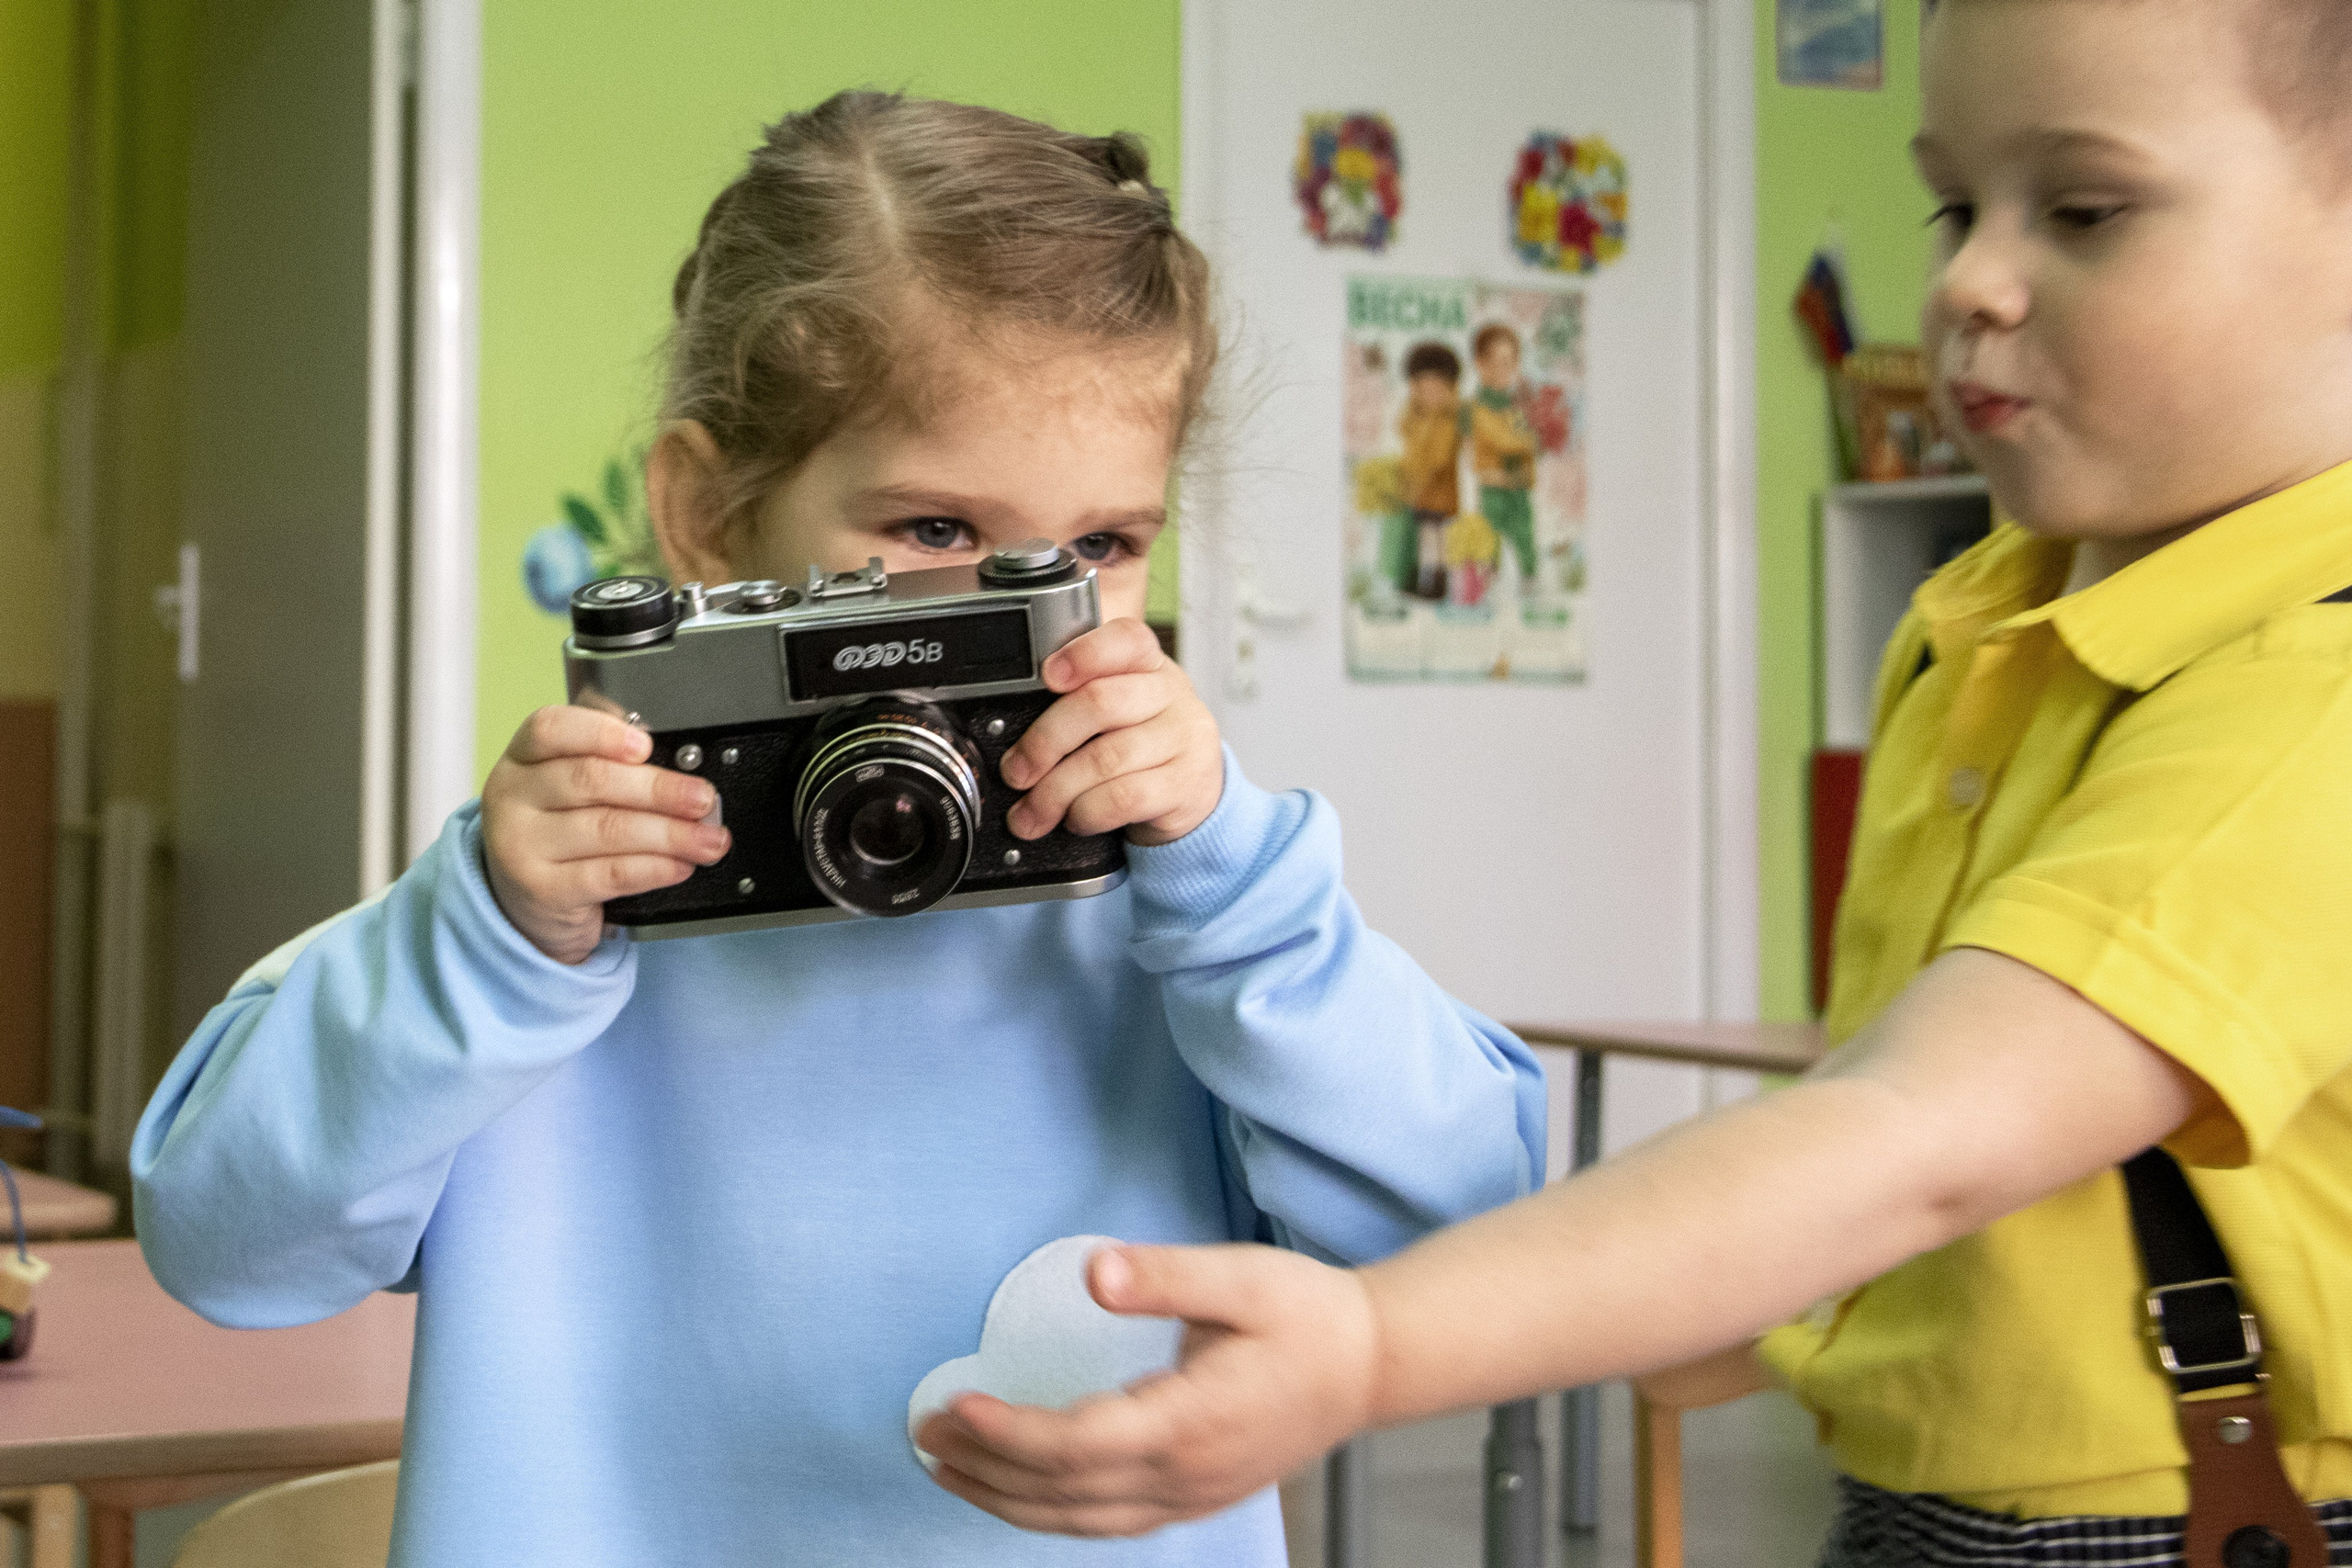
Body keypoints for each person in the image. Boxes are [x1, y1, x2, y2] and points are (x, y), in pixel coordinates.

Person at [915, 4, 2352, 1562]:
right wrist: (1756, 1291)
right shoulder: (1999, 611)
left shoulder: (2305, 699)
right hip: (1946, 1489)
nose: (1967, 280)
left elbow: (1922, 1132)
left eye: (2083, 211)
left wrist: (1381, 1342)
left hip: (2185, 1518)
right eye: (1957, 204)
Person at [130, 93, 1545, 1568]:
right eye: (934, 530)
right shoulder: (544, 913)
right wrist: (482, 939)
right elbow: (229, 1247)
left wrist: (1237, 886)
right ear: (705, 513)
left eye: (1101, 548)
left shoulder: (1192, 917)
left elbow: (1465, 1233)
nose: (1018, 609)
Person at [1465, 323, 1539, 590]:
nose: (1502, 370)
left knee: (1526, 538)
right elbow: (1507, 441)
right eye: (1494, 362)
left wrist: (1531, 429)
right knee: (1490, 543)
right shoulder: (1476, 407)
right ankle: (1486, 587)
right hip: (1493, 487)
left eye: (1508, 362)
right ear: (1479, 364)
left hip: (1519, 488)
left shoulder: (1516, 405)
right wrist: (1531, 434)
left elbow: (1531, 446)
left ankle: (1529, 581)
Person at [1396, 339, 1464, 600]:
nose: (1431, 395)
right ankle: (1420, 575)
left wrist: (1429, 425)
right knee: (1424, 535)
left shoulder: (1447, 421)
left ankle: (1438, 579)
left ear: (1451, 390)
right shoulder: (1415, 417)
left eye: (1439, 388)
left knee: (1436, 536)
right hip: (1419, 492)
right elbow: (1403, 431)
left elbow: (1439, 457)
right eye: (1423, 389)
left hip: (1440, 492)